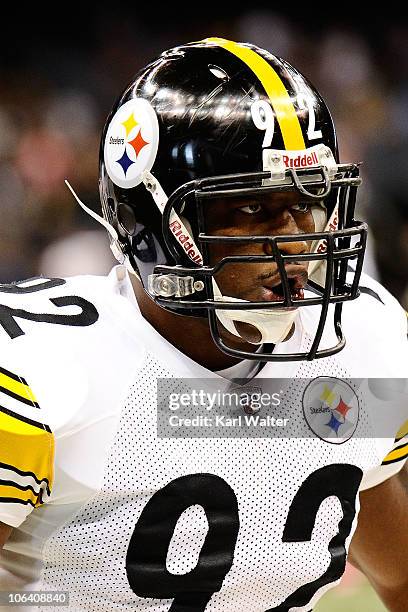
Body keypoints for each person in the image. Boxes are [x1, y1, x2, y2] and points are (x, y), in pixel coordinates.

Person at [0, 37, 407, 611]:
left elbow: (401, 576)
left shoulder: (364, 341)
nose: (294, 242)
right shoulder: (41, 373)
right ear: (150, 220)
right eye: (250, 209)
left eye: (306, 200)